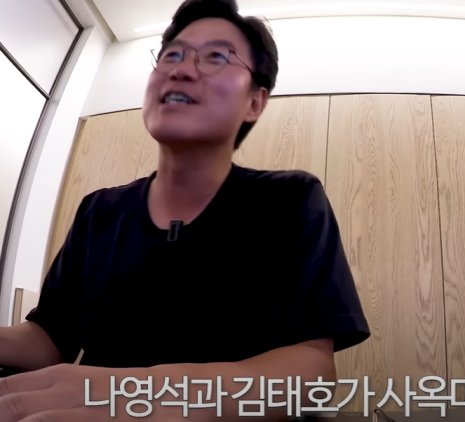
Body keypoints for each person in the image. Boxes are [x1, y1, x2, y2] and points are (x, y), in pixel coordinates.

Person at [0, 0, 370, 420]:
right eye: (171, 55)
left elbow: (311, 373)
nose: (181, 69)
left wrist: (144, 396)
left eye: (216, 56)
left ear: (255, 101)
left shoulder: (290, 200)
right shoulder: (99, 211)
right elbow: (48, 339)